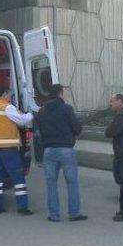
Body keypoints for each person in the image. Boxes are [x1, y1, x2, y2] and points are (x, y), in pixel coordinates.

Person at [35, 84, 87, 222]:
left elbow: (37, 131)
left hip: (48, 151)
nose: (65, 94)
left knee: (51, 184)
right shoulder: (66, 109)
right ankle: (74, 213)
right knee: (72, 182)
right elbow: (77, 128)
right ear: (60, 94)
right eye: (64, 92)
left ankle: (54, 215)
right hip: (66, 150)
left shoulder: (42, 111)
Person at [0, 86, 34, 215]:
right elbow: (22, 120)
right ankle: (22, 207)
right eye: (10, 95)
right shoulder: (7, 107)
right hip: (9, 148)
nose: (11, 97)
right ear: (5, 94)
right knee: (18, 178)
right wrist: (31, 114)